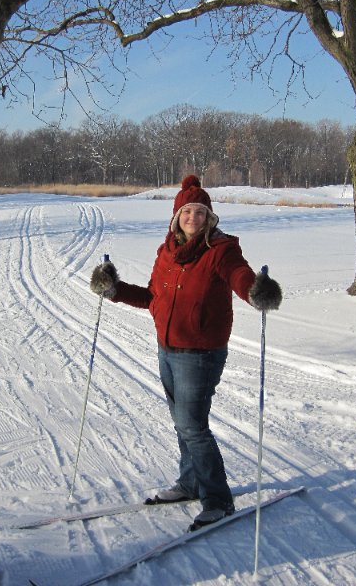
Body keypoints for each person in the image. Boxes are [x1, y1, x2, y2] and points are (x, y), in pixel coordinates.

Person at [89, 174, 282, 529]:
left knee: (193, 426)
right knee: (182, 424)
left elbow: (238, 274)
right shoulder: (167, 252)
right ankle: (191, 482)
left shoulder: (221, 250)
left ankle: (218, 500)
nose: (193, 217)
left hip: (201, 353)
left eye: (200, 212)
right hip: (167, 347)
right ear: (177, 217)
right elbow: (152, 297)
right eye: (187, 211)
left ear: (210, 217)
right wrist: (114, 289)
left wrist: (254, 290)